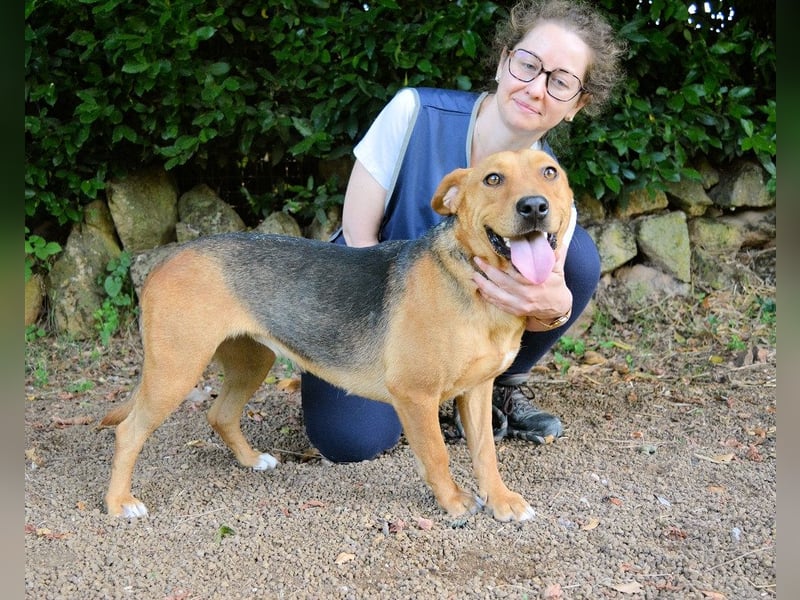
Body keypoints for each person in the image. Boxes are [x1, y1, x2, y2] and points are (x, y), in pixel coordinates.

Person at [300, 0, 626, 463]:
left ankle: (490, 386)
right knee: (354, 440)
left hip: (466, 323)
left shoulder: (551, 187)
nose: (536, 89)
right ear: (502, 62)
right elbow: (357, 240)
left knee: (579, 262)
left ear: (578, 104)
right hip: (366, 305)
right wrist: (401, 350)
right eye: (528, 65)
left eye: (561, 82)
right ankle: (428, 385)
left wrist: (556, 308)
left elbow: (540, 295)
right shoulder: (413, 112)